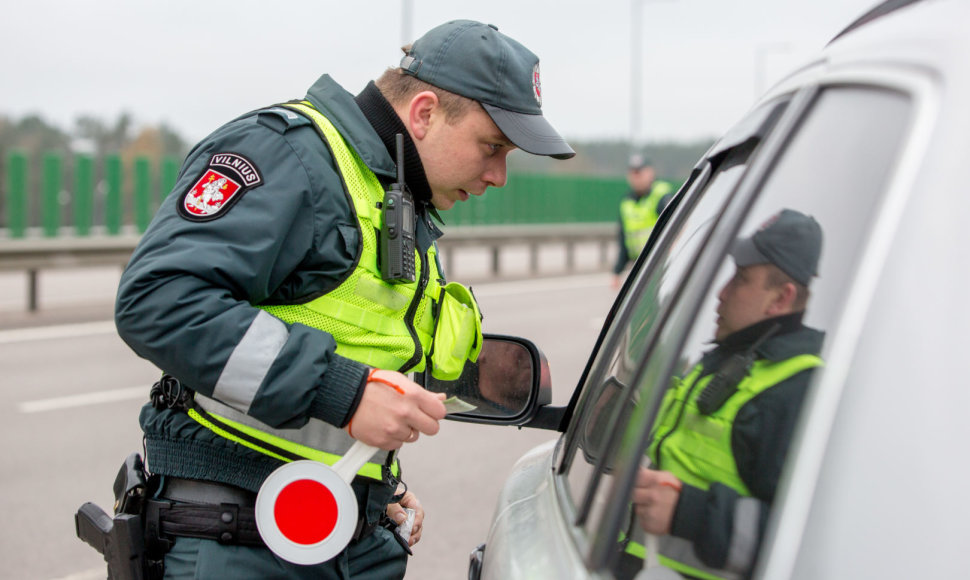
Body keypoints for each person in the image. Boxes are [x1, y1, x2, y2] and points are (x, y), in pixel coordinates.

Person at [110, 20, 574, 580]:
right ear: (424, 113)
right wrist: (344, 392)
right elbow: (157, 299)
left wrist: (370, 484)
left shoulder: (393, 192)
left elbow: (352, 347)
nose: (499, 175)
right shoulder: (287, 155)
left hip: (327, 526)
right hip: (240, 542)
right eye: (492, 146)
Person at [625, 209, 825, 579]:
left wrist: (690, 513)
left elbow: (807, 544)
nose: (722, 292)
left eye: (742, 278)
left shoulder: (792, 392)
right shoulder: (732, 357)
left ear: (780, 298)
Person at [612, 154, 675, 289]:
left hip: (662, 267)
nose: (636, 178)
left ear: (650, 172)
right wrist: (617, 271)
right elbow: (624, 241)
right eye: (633, 173)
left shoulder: (662, 195)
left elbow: (675, 229)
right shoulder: (626, 202)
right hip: (640, 269)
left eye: (640, 173)